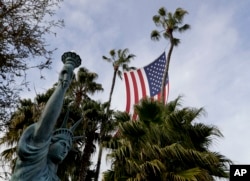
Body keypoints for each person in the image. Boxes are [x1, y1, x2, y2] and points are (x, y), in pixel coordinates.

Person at [11, 52, 81, 181]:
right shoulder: (34, 160)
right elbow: (46, 123)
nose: (65, 150)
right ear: (50, 142)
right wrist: (62, 86)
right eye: (63, 144)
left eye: (67, 147)